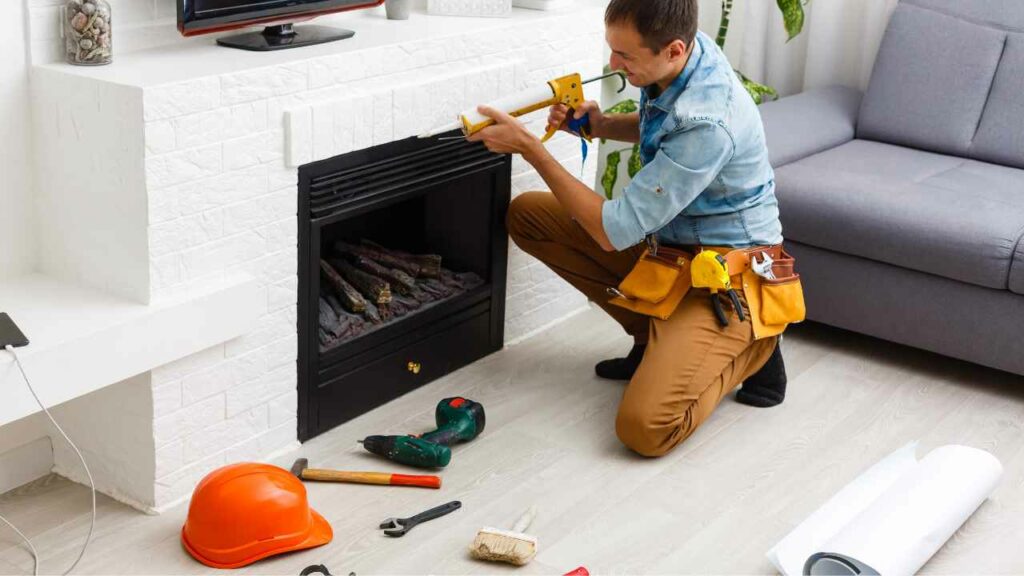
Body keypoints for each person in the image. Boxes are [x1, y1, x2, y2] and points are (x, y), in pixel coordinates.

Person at [468, 0, 790, 457]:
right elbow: (666, 127)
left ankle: (756, 344)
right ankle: (653, 336)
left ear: (674, 50)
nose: (614, 65)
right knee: (529, 216)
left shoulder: (710, 120)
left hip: (725, 279)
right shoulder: (684, 59)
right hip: (673, 252)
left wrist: (529, 148)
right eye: (612, 50)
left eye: (626, 57)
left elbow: (612, 231)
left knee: (645, 428)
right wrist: (600, 125)